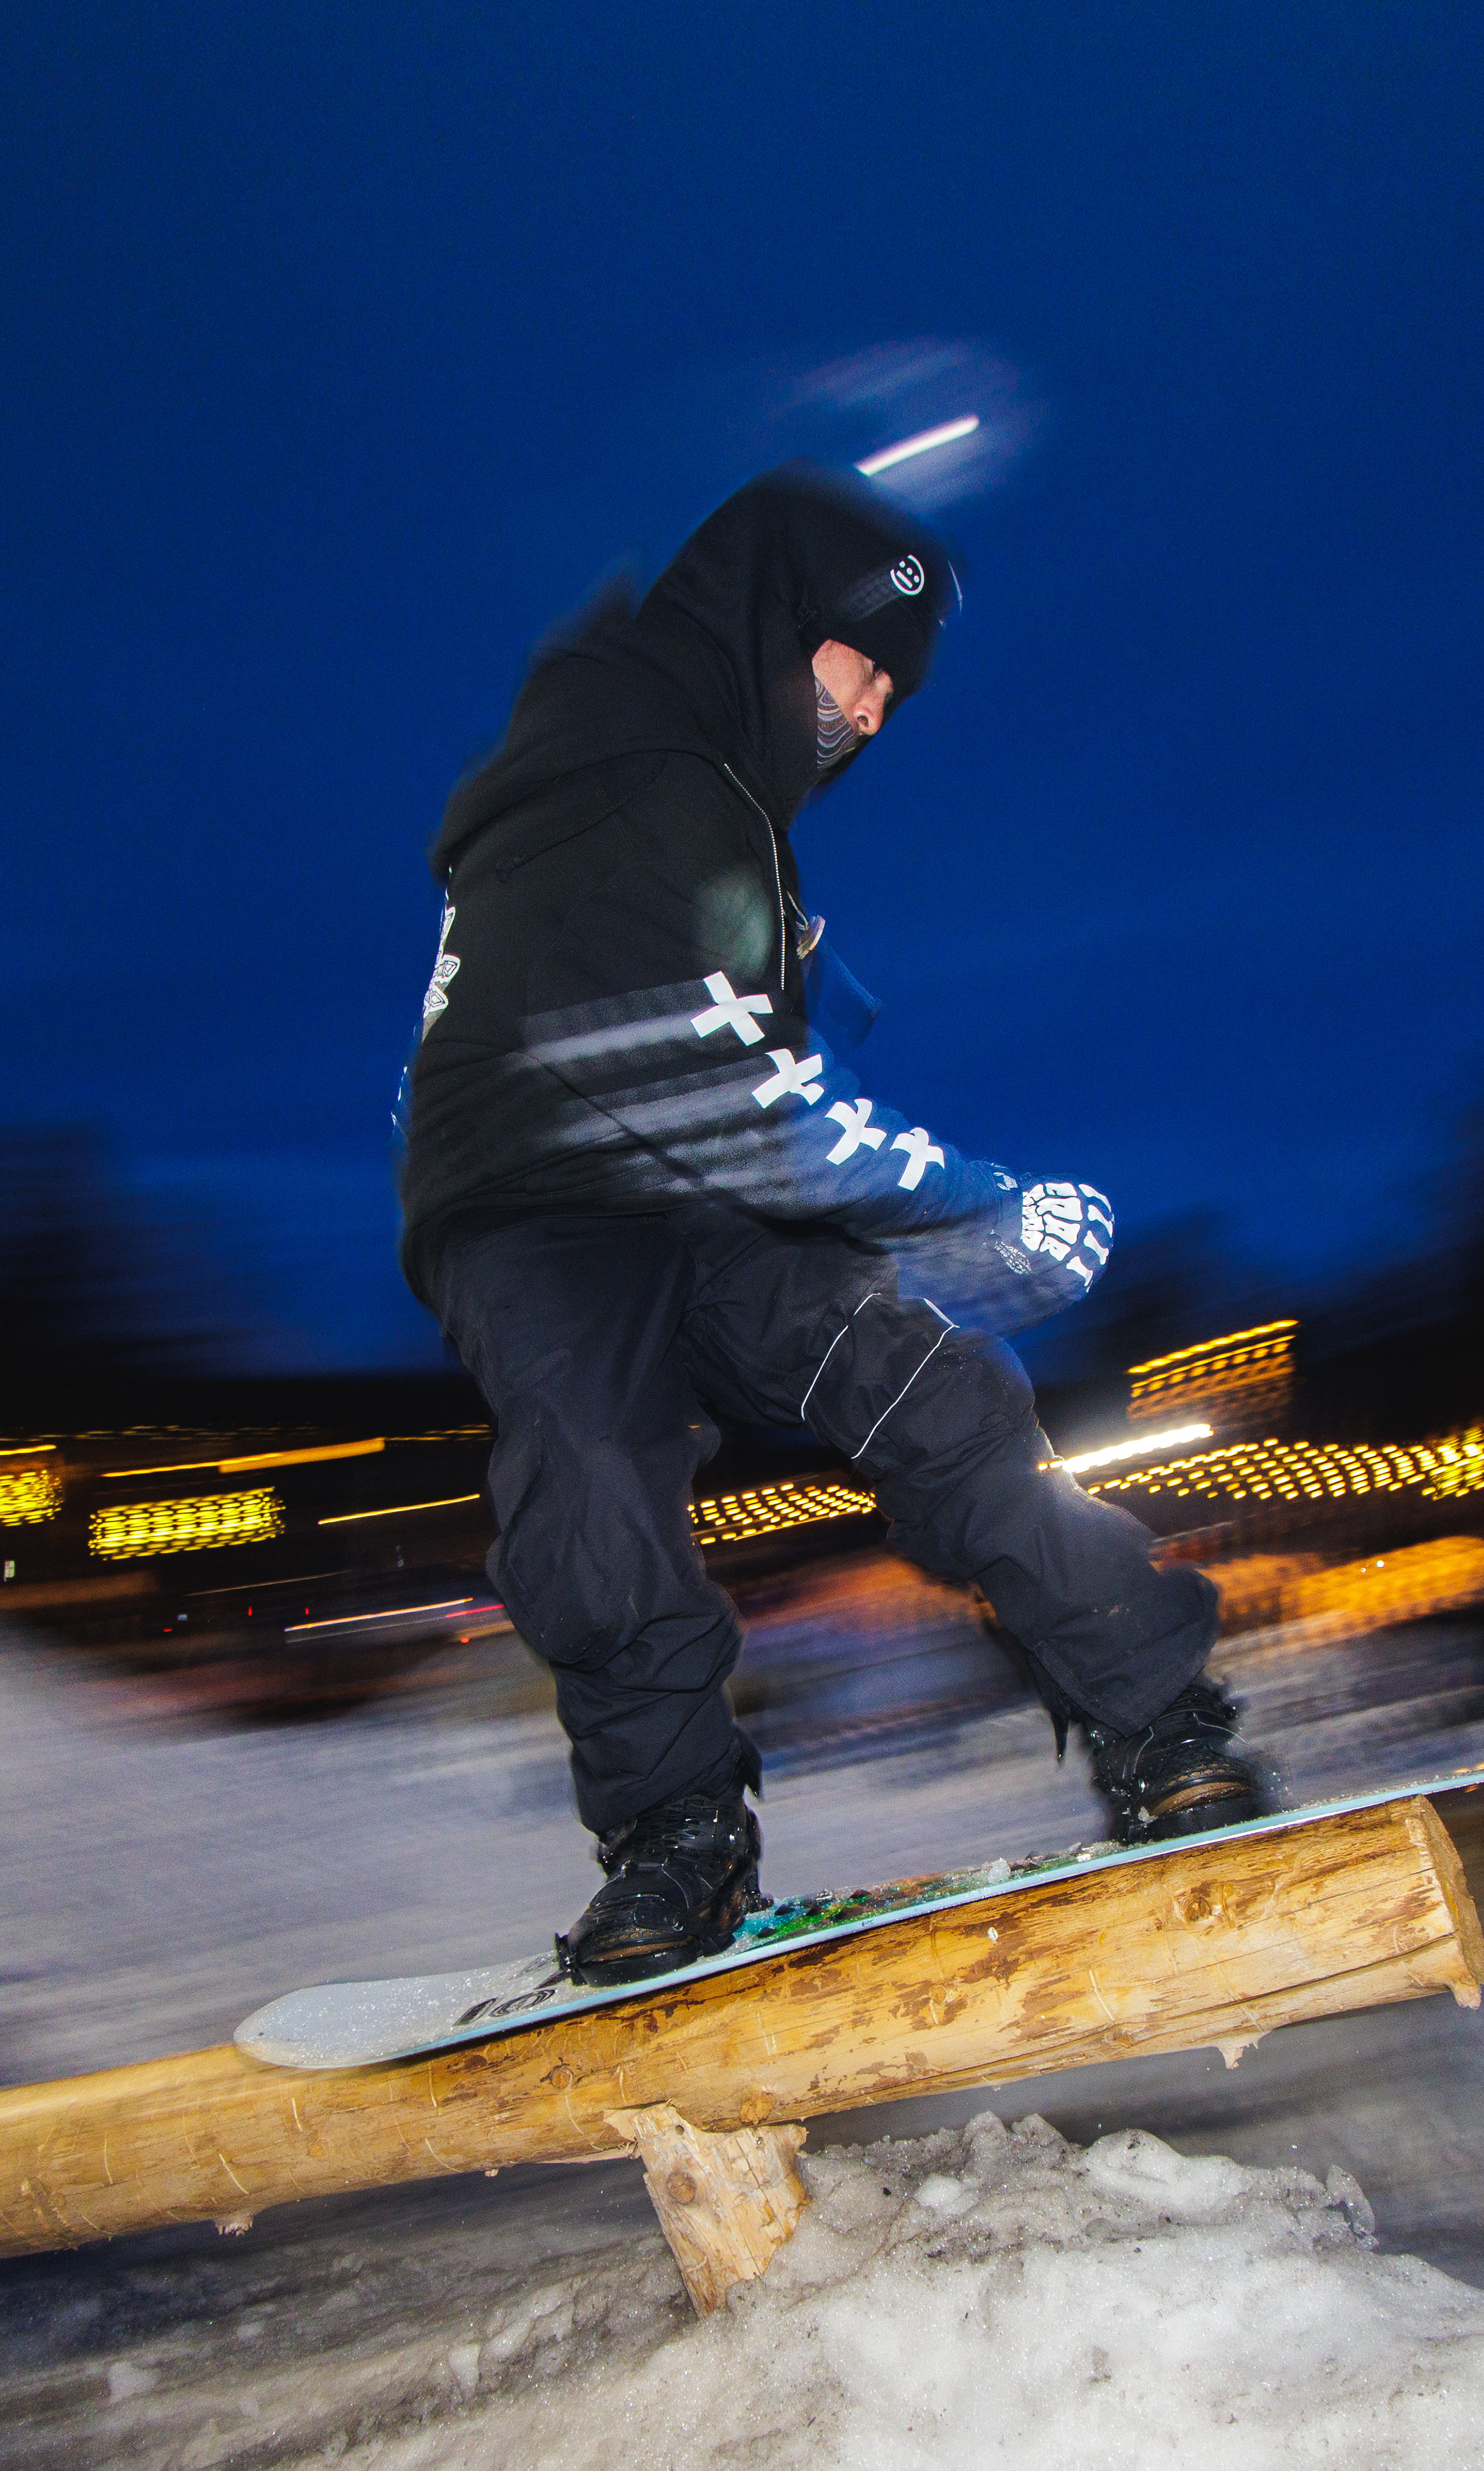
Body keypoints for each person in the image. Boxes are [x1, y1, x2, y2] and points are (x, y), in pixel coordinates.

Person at [399, 463, 1259, 1986]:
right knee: (591, 1481)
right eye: (854, 664)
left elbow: (756, 1071)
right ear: (768, 621)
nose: (867, 712)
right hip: (537, 1203)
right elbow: (723, 1094)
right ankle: (677, 1836)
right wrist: (969, 1209)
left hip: (709, 1188)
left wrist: (887, 1169)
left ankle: (1158, 1717)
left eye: (891, 695)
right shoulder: (621, 766)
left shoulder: (726, 810)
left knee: (932, 1394)